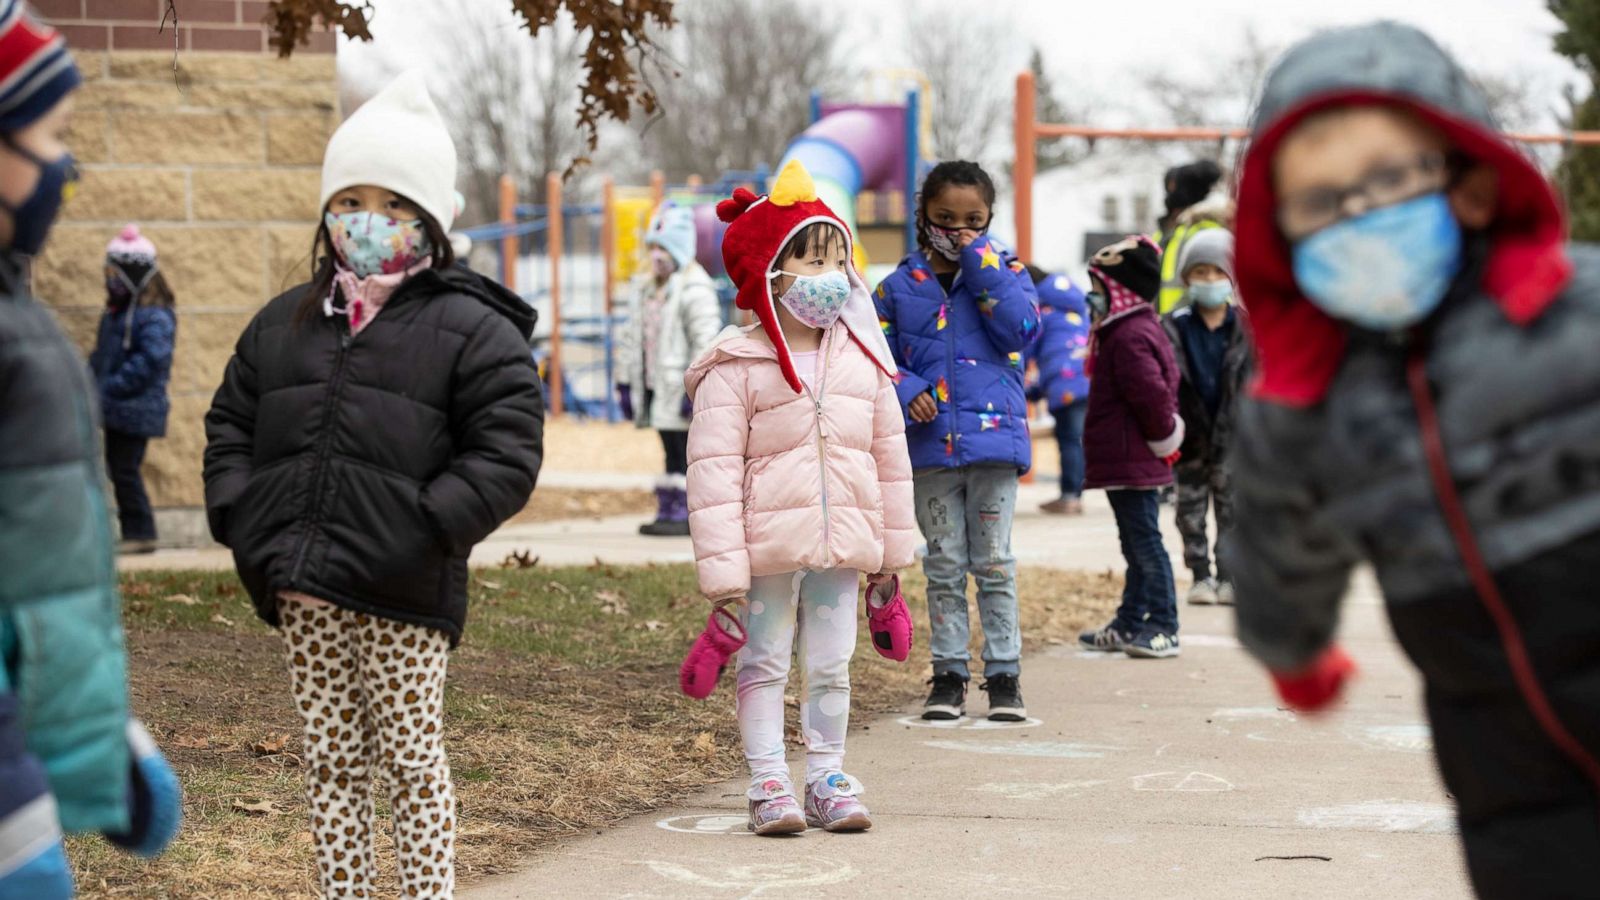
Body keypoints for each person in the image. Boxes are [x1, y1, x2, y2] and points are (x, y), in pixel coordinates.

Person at [1222, 21, 1600, 898]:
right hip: (1503, 752)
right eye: (1320, 202)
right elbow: (1279, 537)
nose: (1359, 216)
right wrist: (1293, 652)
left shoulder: (1578, 311)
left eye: (1389, 180)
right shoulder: (1305, 403)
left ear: (1467, 185)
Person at [203, 71, 543, 899]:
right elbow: (229, 428)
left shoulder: (473, 329)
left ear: (428, 218)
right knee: (331, 765)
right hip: (304, 589)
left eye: (392, 205)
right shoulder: (282, 323)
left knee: (412, 764)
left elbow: (506, 452)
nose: (368, 221)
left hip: (403, 589)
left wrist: (426, 526)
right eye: (349, 200)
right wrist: (245, 519)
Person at [0, 4, 181, 896]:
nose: (63, 166)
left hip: (24, 761)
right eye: (50, 135)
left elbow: (38, 580)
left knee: (122, 480)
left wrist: (95, 737)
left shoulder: (24, 323)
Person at [685, 160, 914, 835]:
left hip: (844, 544)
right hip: (766, 549)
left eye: (839, 261)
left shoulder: (864, 359)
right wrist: (723, 570)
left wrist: (891, 552)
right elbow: (713, 471)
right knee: (762, 662)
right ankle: (767, 783)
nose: (830, 278)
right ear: (770, 274)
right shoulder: (735, 366)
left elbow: (890, 459)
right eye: (812, 262)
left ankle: (826, 777)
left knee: (830, 665)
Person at [873, 160, 1039, 721]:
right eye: (946, 218)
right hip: (931, 448)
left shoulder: (1006, 271)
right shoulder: (897, 287)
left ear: (990, 218)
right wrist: (909, 388)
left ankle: (1004, 674)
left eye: (973, 220)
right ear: (924, 217)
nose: (959, 229)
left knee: (994, 562)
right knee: (943, 562)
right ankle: (947, 675)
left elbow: (1022, 331)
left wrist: (982, 264)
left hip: (994, 445)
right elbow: (875, 358)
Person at [1075, 236, 1185, 659]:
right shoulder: (1125, 330)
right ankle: (1129, 621)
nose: (1092, 297)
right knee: (1135, 543)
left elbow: (1153, 396)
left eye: (1099, 288)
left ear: (1120, 290)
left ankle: (1163, 624)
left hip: (1135, 457)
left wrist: (1163, 438)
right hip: (1129, 459)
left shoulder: (1128, 335)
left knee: (1145, 543)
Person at [617, 202, 721, 536]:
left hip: (679, 387)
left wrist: (696, 387)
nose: (656, 256)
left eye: (663, 248)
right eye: (652, 248)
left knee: (685, 450)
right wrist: (624, 383)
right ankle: (670, 506)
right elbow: (631, 337)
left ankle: (687, 509)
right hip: (654, 384)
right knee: (669, 449)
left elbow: (705, 341)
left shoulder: (693, 288)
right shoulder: (647, 290)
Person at [1160, 228, 1252, 605]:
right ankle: (1200, 575)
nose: (1210, 280)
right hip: (1191, 436)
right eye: (1200, 272)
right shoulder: (1172, 326)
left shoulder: (1247, 327)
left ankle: (1230, 576)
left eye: (1218, 272)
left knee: (1233, 511)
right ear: (1186, 278)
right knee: (1190, 511)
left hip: (1235, 437)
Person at [89, 224, 175, 555]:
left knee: (125, 469)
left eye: (114, 273)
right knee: (118, 468)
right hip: (115, 406)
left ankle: (141, 532)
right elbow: (101, 356)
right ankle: (133, 530)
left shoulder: (154, 316)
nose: (108, 280)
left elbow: (151, 360)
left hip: (136, 408)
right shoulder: (117, 314)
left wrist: (110, 387)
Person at [1023, 265, 1091, 515]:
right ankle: (1073, 492)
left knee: (1069, 439)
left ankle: (1070, 496)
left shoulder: (1042, 312)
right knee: (1077, 438)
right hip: (1086, 377)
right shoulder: (1074, 308)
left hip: (1064, 384)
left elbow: (1026, 347)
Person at [1154, 159, 1225, 314]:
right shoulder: (1167, 233)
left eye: (1173, 189)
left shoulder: (1204, 231)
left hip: (1195, 322)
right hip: (1168, 326)